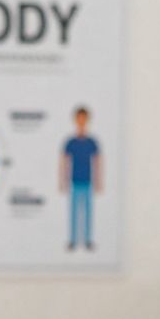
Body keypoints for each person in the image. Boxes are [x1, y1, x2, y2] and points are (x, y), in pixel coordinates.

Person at [61, 105, 102, 251]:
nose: (81, 121)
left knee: (88, 213)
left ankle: (88, 240)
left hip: (88, 182)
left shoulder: (92, 142)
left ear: (87, 120)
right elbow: (64, 162)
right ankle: (73, 240)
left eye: (84, 119)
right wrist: (63, 181)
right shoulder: (70, 142)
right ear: (75, 120)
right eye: (79, 118)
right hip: (74, 181)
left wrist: (98, 181)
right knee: (73, 213)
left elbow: (97, 163)